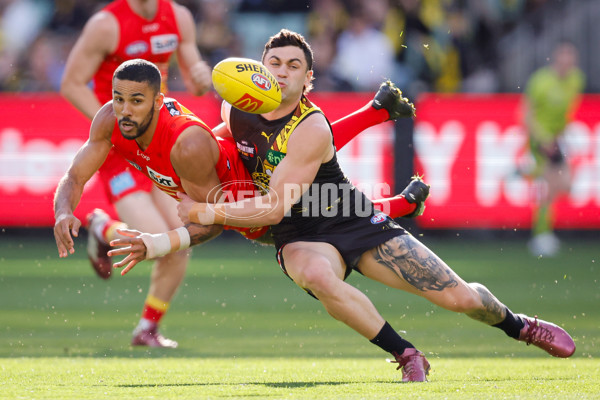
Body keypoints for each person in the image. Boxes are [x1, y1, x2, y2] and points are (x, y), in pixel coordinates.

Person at [170, 30, 575, 382]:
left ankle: (519, 326)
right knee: (317, 274)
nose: (281, 71)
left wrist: (202, 211)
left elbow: (274, 206)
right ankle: (407, 354)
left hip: (350, 218)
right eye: (273, 62)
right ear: (258, 69)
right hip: (299, 234)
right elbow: (226, 147)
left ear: (309, 79)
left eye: (294, 65)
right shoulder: (234, 109)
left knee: (462, 299)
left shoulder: (310, 127)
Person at [54, 58, 424, 345]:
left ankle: (398, 201)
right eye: (118, 99)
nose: (124, 110)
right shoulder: (110, 120)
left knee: (320, 202)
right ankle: (378, 122)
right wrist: (63, 212)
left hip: (248, 196)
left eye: (136, 101)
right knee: (305, 159)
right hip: (222, 157)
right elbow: (74, 176)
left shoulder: (187, 146)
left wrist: (158, 243)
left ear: (159, 99)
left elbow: (212, 221)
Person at [59, 0, 213, 347]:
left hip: (157, 139)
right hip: (118, 145)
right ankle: (102, 228)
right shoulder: (106, 25)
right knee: (160, 238)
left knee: (178, 243)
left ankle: (147, 329)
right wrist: (116, 127)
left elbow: (195, 83)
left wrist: (201, 77)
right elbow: (71, 83)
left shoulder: (178, 17)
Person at [523, 40, 585, 257]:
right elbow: (527, 114)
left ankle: (524, 171)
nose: (567, 60)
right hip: (540, 138)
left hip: (557, 138)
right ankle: (541, 236)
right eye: (563, 54)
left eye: (571, 55)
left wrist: (561, 136)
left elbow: (568, 111)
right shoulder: (541, 81)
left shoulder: (576, 79)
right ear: (555, 57)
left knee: (565, 184)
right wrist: (542, 139)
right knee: (549, 188)